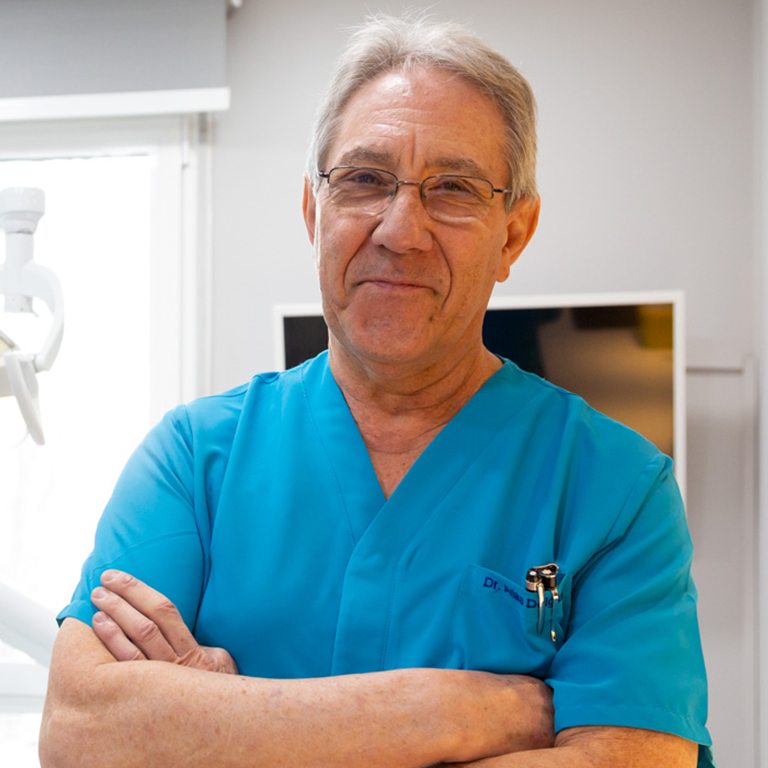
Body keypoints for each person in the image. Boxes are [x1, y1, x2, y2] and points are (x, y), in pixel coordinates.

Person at [39, 14, 715, 768]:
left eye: (453, 188)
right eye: (364, 180)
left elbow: (635, 758)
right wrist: (453, 713)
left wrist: (225, 726)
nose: (400, 230)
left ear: (513, 234)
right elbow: (80, 731)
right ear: (313, 212)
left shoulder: (615, 488)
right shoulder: (195, 461)